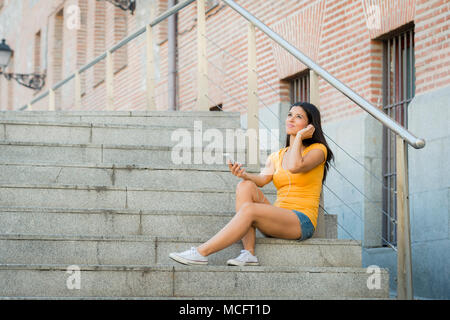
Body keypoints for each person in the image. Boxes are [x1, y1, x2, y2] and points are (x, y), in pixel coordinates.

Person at [169, 102, 334, 266]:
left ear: (310, 126)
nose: (291, 119)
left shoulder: (318, 150)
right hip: (278, 217)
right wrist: (243, 174)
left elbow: (295, 166)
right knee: (245, 186)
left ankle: (201, 252)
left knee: (249, 209)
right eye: (290, 114)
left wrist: (298, 137)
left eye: (299, 117)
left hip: (301, 222)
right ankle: (248, 253)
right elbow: (262, 180)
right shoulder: (277, 156)